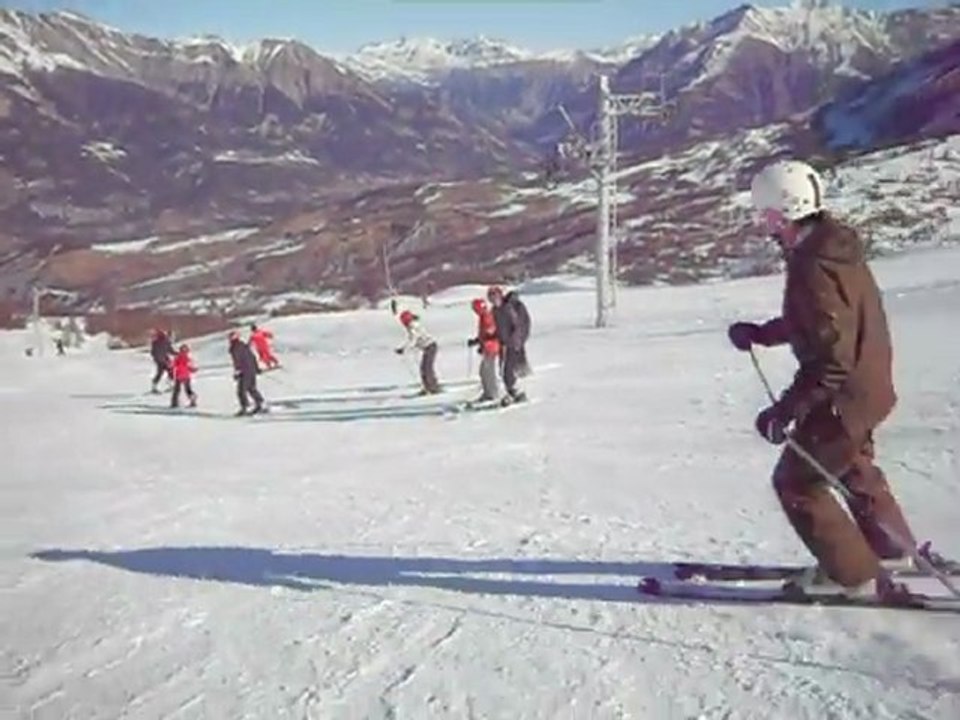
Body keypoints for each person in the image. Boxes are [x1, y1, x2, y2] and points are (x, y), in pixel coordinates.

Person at [727, 158, 917, 601]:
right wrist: (763, 333)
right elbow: (818, 322)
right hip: (869, 386)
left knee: (799, 481)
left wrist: (786, 410)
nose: (764, 225)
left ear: (783, 211)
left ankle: (854, 575)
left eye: (765, 215)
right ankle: (890, 549)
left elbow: (832, 358)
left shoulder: (813, 266)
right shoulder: (831, 249)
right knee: (848, 461)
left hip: (844, 394)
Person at [488, 285, 532, 399]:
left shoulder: (507, 308)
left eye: (495, 297)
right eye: (491, 298)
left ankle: (515, 390)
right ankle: (510, 391)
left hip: (512, 344)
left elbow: (517, 326)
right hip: (503, 344)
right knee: (503, 368)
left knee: (508, 368)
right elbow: (498, 328)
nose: (493, 300)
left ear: (500, 296)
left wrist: (513, 340)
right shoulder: (495, 310)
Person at [396, 309, 441, 395]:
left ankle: (433, 388)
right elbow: (413, 339)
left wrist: (404, 349)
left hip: (430, 346)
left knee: (427, 368)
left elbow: (413, 339)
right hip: (428, 347)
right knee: (424, 368)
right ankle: (428, 387)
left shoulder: (413, 326)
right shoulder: (413, 325)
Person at [467, 298, 501, 403]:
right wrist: (476, 341)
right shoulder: (483, 316)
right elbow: (484, 334)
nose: (475, 311)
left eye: (475, 309)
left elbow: (491, 333)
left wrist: (484, 342)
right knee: (484, 371)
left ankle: (492, 393)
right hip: (488, 347)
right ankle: (488, 392)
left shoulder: (487, 316)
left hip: (491, 348)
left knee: (487, 372)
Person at [229, 330, 266, 415]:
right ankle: (259, 403)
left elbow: (238, 360)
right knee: (251, 388)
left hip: (245, 371)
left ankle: (245, 407)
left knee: (241, 390)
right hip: (250, 370)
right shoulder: (243, 346)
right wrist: (256, 368)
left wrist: (237, 371)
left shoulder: (236, 347)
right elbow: (252, 357)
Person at [170, 344, 197, 408]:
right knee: (187, 389)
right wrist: (193, 369)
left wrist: (170, 367)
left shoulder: (177, 358)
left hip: (179, 376)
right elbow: (190, 367)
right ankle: (192, 398)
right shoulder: (188, 358)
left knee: (177, 390)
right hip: (186, 376)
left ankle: (174, 402)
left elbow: (172, 365)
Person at [149, 328, 174, 394]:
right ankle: (154, 386)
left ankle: (170, 385)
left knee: (170, 371)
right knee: (161, 373)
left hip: (164, 359)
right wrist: (157, 358)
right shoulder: (156, 342)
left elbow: (170, 350)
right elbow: (153, 352)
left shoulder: (166, 342)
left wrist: (177, 353)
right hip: (160, 360)